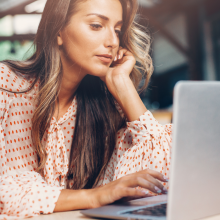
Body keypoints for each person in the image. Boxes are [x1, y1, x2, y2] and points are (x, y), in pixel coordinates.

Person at [0, 0, 172, 219]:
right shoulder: (6, 87)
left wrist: (123, 86)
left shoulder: (105, 109)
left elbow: (161, 181)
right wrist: (95, 196)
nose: (112, 41)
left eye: (117, 30)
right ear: (58, 30)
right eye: (96, 25)